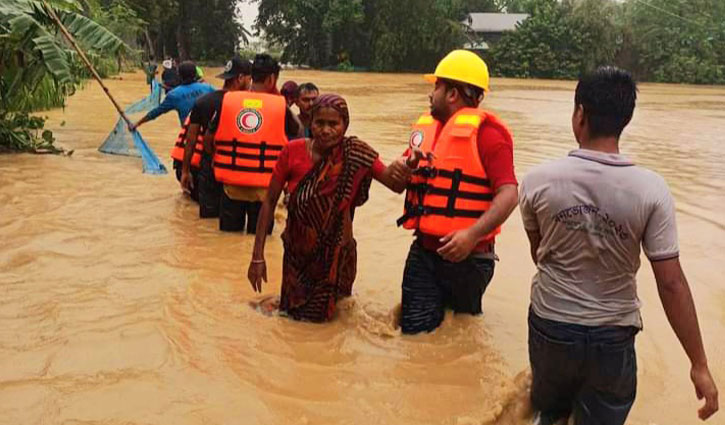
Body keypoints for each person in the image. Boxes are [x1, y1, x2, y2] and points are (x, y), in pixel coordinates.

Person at [519, 66, 719, 425]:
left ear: (580, 115)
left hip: (552, 325)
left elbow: (539, 254)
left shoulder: (536, 182)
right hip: (613, 337)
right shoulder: (651, 190)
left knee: (550, 411)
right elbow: (671, 283)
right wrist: (699, 364)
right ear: (625, 119)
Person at [247, 94, 410, 322]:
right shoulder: (292, 152)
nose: (325, 130)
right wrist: (257, 257)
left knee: (331, 322)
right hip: (297, 259)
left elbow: (395, 185)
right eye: (319, 123)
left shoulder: (356, 153)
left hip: (338, 257)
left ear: (345, 125)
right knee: (293, 319)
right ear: (309, 122)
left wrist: (408, 166)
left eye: (333, 124)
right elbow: (269, 201)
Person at [396, 50, 518, 335]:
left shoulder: (489, 135)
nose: (431, 94)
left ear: (452, 94)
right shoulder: (426, 132)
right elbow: (398, 179)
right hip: (424, 253)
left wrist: (472, 235)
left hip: (470, 260)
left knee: (462, 332)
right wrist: (405, 166)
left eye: (436, 86)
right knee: (414, 336)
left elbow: (509, 194)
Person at [209, 53, 302, 233]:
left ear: (252, 76)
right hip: (265, 188)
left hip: (231, 186)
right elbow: (297, 133)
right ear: (272, 79)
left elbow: (209, 139)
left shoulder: (228, 100)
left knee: (229, 237)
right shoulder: (280, 106)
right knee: (259, 238)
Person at [177, 57, 252, 213]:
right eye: (249, 79)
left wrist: (185, 171)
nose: (250, 83)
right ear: (240, 78)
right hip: (235, 171)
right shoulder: (247, 105)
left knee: (209, 220)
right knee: (233, 221)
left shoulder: (203, 102)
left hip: (208, 170)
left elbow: (191, 140)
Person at [130, 61, 215, 131]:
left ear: (179, 75)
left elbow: (156, 112)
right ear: (195, 74)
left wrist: (137, 123)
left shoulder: (174, 95)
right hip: (211, 131)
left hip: (190, 134)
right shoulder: (208, 88)